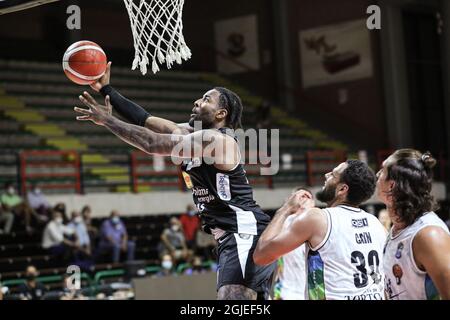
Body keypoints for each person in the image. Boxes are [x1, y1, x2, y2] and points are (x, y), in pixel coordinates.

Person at [73, 62, 275, 300]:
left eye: (206, 99)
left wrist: (107, 120)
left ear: (221, 114)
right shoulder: (191, 134)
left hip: (243, 233)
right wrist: (107, 90)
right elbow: (145, 120)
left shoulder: (218, 140)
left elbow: (152, 143)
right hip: (232, 236)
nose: (197, 102)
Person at [254, 160, 387, 300]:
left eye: (333, 175)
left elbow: (261, 256)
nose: (326, 174)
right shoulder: (377, 225)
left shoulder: (318, 218)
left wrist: (285, 209)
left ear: (342, 189)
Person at [377, 149, 450, 300]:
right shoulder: (398, 229)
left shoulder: (429, 234)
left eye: (382, 170)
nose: (377, 175)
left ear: (391, 186)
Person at [271, 187, 315, 300]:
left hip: (312, 293)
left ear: (313, 203)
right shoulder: (285, 221)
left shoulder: (321, 223)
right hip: (286, 293)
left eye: (307, 197)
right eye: (299, 197)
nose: (303, 200)